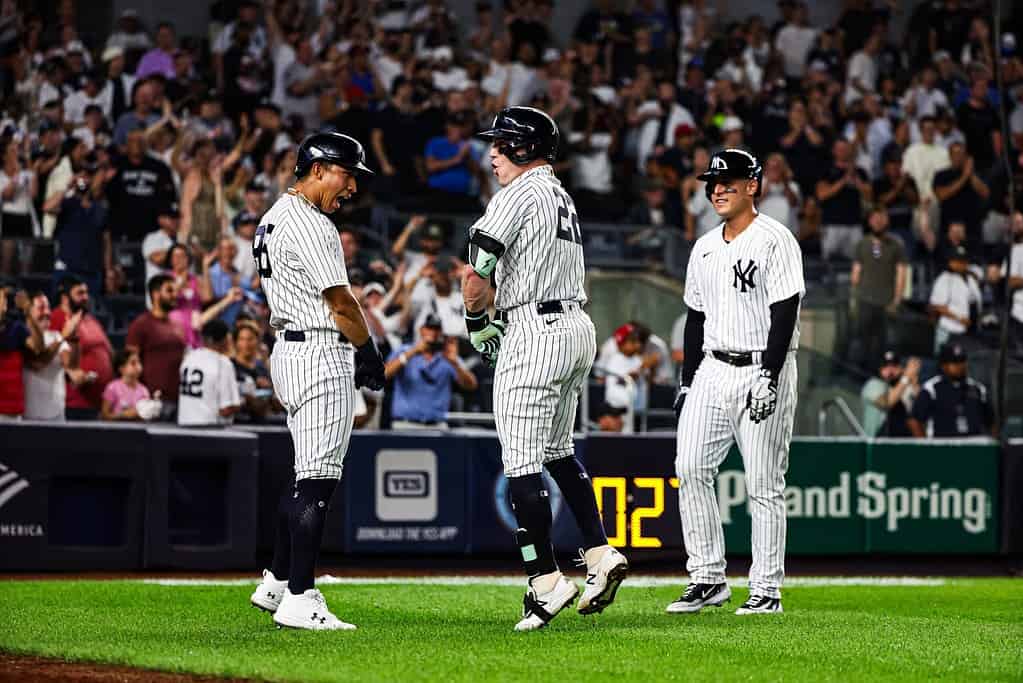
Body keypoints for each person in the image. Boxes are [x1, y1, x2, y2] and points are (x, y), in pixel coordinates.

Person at [461, 106, 628, 631]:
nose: (491, 151)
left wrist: (475, 320)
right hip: (576, 326)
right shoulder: (559, 194)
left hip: (533, 328)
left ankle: (546, 582)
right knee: (557, 452)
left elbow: (477, 269)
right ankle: (599, 554)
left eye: (501, 142)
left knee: (522, 461)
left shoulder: (517, 193)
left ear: (525, 148)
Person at [247, 132, 385, 631]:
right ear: (320, 167)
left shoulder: (271, 218)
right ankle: (301, 597)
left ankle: (278, 582)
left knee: (306, 473)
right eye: (348, 175)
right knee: (319, 480)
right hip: (319, 350)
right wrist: (367, 351)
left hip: (289, 348)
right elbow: (342, 301)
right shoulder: (311, 222)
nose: (351, 188)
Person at [668, 148, 804, 616]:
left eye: (729, 181)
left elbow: (785, 309)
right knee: (689, 468)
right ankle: (707, 578)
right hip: (712, 366)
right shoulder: (704, 244)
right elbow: (695, 317)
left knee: (764, 482)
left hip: (762, 367)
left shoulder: (775, 239)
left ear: (753, 186)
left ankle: (766, 589)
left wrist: (769, 373)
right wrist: (687, 382)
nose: (718, 189)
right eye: (713, 183)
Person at [384, 314, 477, 428]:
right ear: (421, 330)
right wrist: (413, 352)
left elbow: (471, 385)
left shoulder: (448, 356)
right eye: (429, 328)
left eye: (436, 329)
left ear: (441, 332)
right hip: (405, 424)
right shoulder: (404, 351)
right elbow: (384, 374)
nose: (433, 332)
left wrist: (454, 363)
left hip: (437, 425)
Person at [849, 207, 908, 373]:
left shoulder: (896, 245)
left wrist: (897, 300)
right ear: (869, 221)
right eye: (875, 218)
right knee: (863, 341)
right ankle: (861, 375)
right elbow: (855, 274)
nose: (878, 221)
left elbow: (902, 273)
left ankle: (883, 374)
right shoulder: (862, 244)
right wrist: (854, 299)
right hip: (865, 301)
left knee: (885, 343)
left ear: (887, 220)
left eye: (882, 217)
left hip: (887, 302)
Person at [50, 276, 113, 420]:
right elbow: (51, 354)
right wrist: (72, 373)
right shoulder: (57, 318)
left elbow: (108, 351)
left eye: (86, 292)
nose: (86, 297)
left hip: (97, 403)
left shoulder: (91, 320)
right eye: (80, 293)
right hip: (74, 403)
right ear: (65, 298)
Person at [126, 274, 187, 419]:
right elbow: (129, 362)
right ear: (156, 294)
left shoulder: (177, 325)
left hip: (180, 399)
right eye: (170, 291)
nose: (175, 295)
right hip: (153, 401)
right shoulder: (141, 324)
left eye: (176, 291)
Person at [908, 342, 994, 438]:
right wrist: (925, 448)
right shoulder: (931, 388)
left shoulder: (977, 388)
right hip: (942, 446)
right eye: (955, 362)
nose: (960, 366)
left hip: (972, 446)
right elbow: (914, 421)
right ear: (944, 365)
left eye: (962, 361)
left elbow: (992, 421)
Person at [22, 292, 79, 421]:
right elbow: (38, 364)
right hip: (29, 416)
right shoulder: (22, 336)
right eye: (41, 307)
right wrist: (64, 336)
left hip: (57, 415)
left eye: (48, 307)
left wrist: (74, 336)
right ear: (29, 311)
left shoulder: (56, 336)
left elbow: (71, 365)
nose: (47, 312)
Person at [177, 319, 242, 427]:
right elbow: (225, 409)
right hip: (209, 430)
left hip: (183, 425)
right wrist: (244, 400)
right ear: (224, 340)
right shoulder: (223, 363)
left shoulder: (189, 357)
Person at [0, 286, 44, 419]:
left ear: (5, 305)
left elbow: (38, 347)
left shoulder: (16, 328)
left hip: (12, 412)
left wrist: (29, 314)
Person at [928, 245, 982, 353]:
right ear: (951, 262)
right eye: (958, 261)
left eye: (964, 260)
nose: (962, 264)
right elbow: (937, 306)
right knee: (946, 359)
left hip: (969, 331)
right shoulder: (944, 278)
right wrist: (959, 318)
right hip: (949, 330)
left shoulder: (970, 278)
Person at [860, 350, 920, 437]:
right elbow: (887, 402)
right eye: (885, 366)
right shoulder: (873, 384)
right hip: (876, 443)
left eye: (894, 366)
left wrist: (914, 381)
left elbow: (921, 408)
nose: (890, 370)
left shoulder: (903, 385)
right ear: (879, 368)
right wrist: (906, 377)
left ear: (900, 368)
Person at [100, 349, 155, 421]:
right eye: (133, 363)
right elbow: (104, 416)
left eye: (139, 362)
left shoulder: (144, 390)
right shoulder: (112, 388)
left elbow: (146, 416)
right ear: (121, 368)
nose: (138, 366)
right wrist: (122, 415)